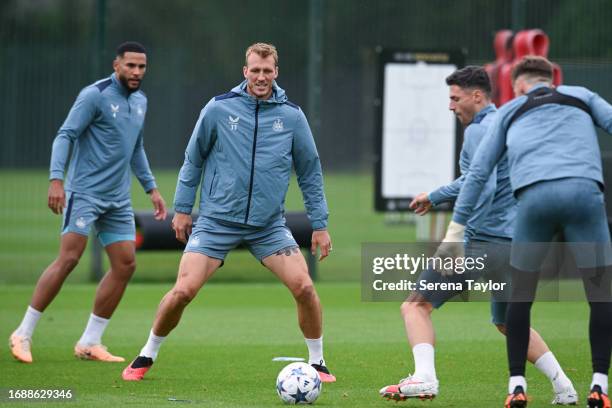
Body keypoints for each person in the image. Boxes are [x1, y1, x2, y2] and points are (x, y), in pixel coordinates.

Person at [121, 42, 335, 383]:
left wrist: (320, 225)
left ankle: (318, 362)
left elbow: (310, 171)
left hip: (268, 227)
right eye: (255, 70)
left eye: (267, 70)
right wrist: (182, 209)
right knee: (183, 291)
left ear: (276, 72)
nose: (261, 76)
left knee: (305, 288)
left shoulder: (292, 116)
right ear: (245, 71)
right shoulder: (219, 109)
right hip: (217, 221)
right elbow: (194, 159)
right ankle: (147, 353)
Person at [379, 66, 576, 404]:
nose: (451, 106)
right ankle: (565, 388)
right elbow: (479, 178)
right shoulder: (509, 125)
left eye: (455, 99)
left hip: (482, 242)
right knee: (508, 323)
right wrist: (436, 194)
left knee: (415, 306)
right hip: (516, 244)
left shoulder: (477, 131)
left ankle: (424, 378)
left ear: (477, 96)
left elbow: (479, 186)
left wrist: (458, 233)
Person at [452, 56, 612, 408]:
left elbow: (478, 175)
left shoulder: (510, 109)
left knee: (520, 299)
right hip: (584, 193)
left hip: (535, 200)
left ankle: (517, 387)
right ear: (552, 80)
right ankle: (599, 385)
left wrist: (455, 229)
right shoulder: (582, 95)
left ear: (519, 85)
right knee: (600, 295)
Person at [9, 41, 167, 364]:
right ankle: (22, 333)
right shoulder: (94, 95)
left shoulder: (140, 101)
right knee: (69, 259)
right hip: (84, 193)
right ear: (116, 65)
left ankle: (90, 341)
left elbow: (135, 147)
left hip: (118, 199)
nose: (137, 72)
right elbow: (65, 135)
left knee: (125, 264)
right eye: (130, 66)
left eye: (142, 67)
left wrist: (151, 188)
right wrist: (56, 179)